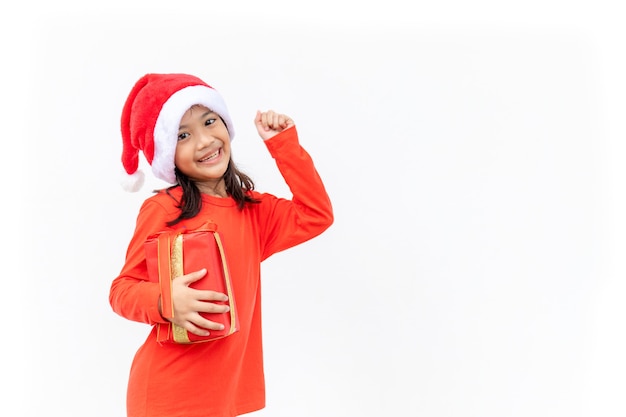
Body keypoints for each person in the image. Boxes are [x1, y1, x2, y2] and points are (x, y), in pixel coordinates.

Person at [109, 73, 334, 417]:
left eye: (209, 121)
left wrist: (283, 145)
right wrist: (166, 300)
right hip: (168, 396)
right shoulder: (163, 209)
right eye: (183, 135)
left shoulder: (253, 212)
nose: (204, 141)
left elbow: (315, 214)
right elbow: (122, 291)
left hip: (223, 396)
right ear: (167, 151)